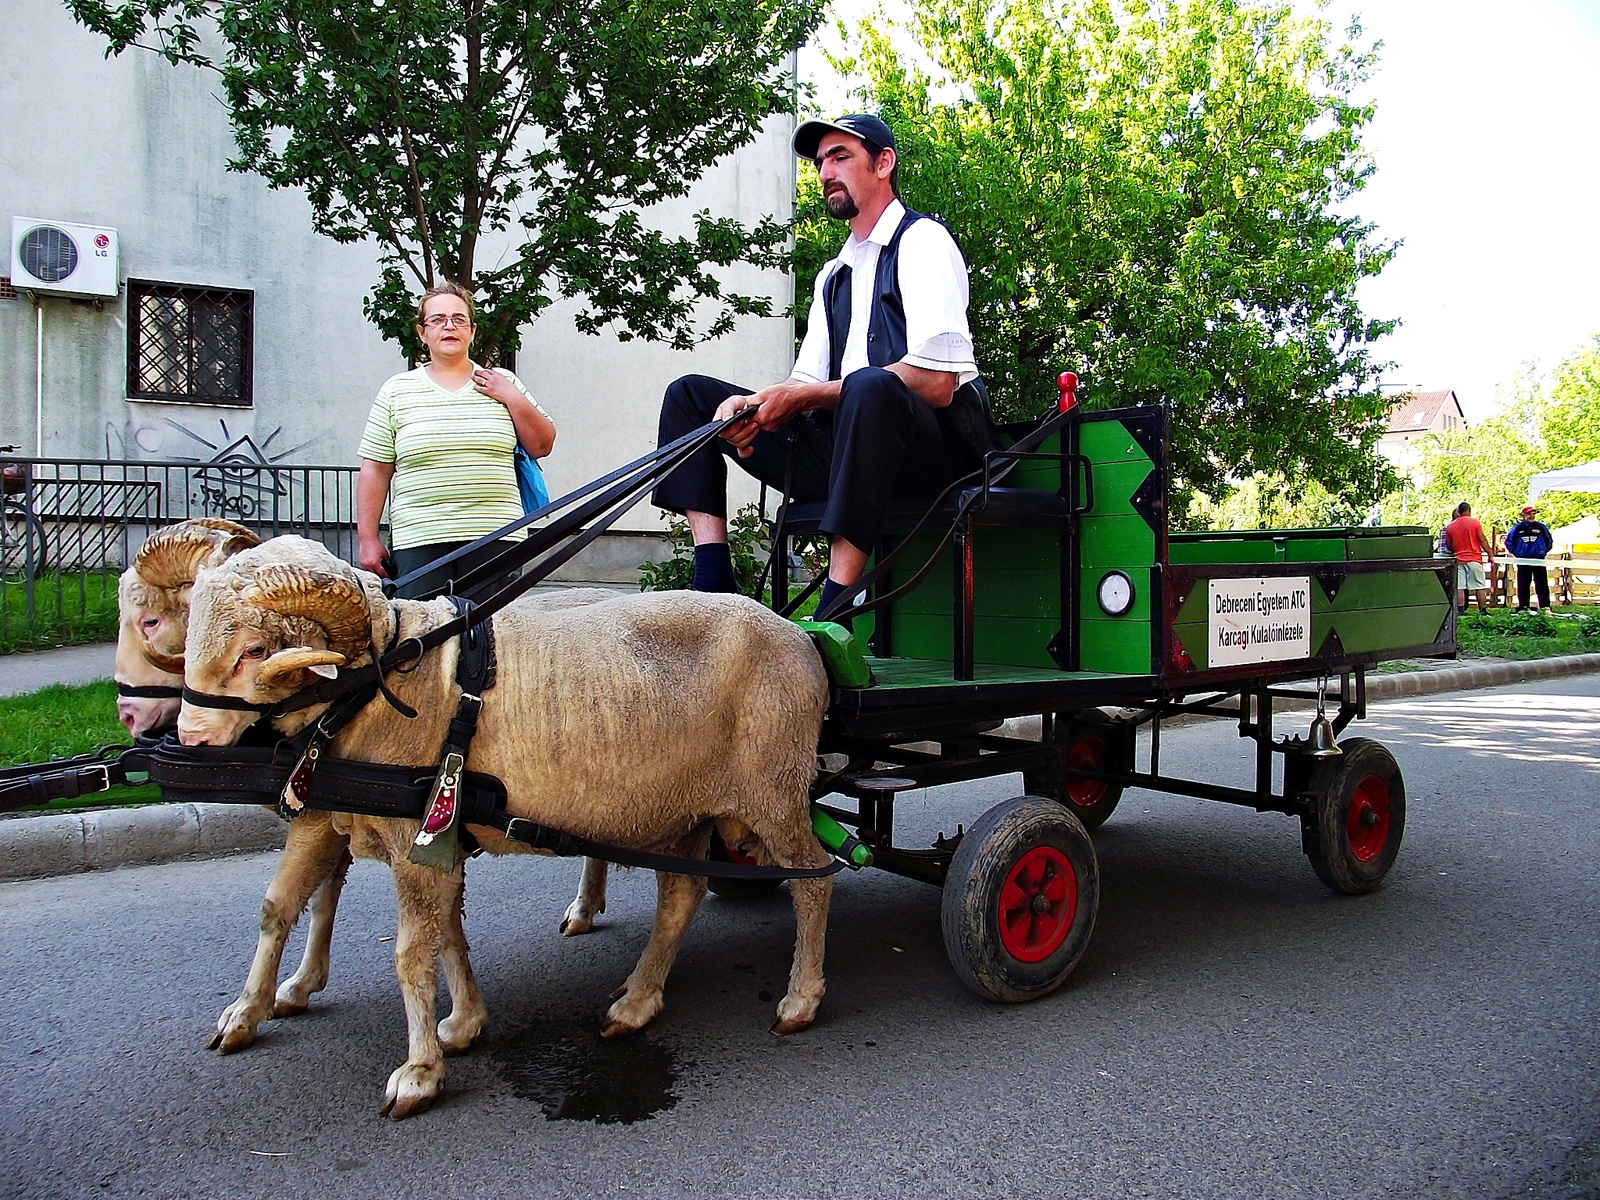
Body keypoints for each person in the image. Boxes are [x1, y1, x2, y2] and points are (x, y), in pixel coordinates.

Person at [650, 113, 989, 621]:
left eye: (840, 156)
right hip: (846, 454)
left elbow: (939, 385)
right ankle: (712, 582)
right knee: (690, 397)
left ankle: (837, 604)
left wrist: (807, 398)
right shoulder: (833, 275)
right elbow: (803, 384)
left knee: (870, 387)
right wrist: (749, 408)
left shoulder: (923, 242)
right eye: (820, 161)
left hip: (932, 461)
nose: (825, 171)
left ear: (883, 163)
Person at [357, 283, 556, 602]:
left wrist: (511, 396)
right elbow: (376, 469)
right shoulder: (397, 390)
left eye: (458, 319)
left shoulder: (502, 383)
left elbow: (542, 445)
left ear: (472, 330)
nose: (449, 326)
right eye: (437, 319)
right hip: (420, 539)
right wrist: (368, 538)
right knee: (422, 641)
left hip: (495, 536)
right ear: (422, 332)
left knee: (494, 642)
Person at [1444, 501, 1492, 614]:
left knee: (1460, 586)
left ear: (1459, 512)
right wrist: (1489, 554)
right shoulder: (1475, 523)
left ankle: (1461, 609)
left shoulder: (1450, 526)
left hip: (1459, 559)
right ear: (1469, 511)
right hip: (1474, 558)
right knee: (1479, 585)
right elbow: (1482, 539)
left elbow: (1449, 545)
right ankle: (1483, 609)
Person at [1504, 504, 1554, 611]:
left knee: (1542, 583)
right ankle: (1523, 606)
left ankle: (1545, 606)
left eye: (1533, 514)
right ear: (1523, 515)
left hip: (1538, 559)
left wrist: (1543, 551)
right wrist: (1517, 552)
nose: (1531, 516)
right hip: (1523, 560)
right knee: (1523, 584)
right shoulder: (1517, 528)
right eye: (1528, 514)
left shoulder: (1541, 527)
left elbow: (1549, 540)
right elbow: (1508, 542)